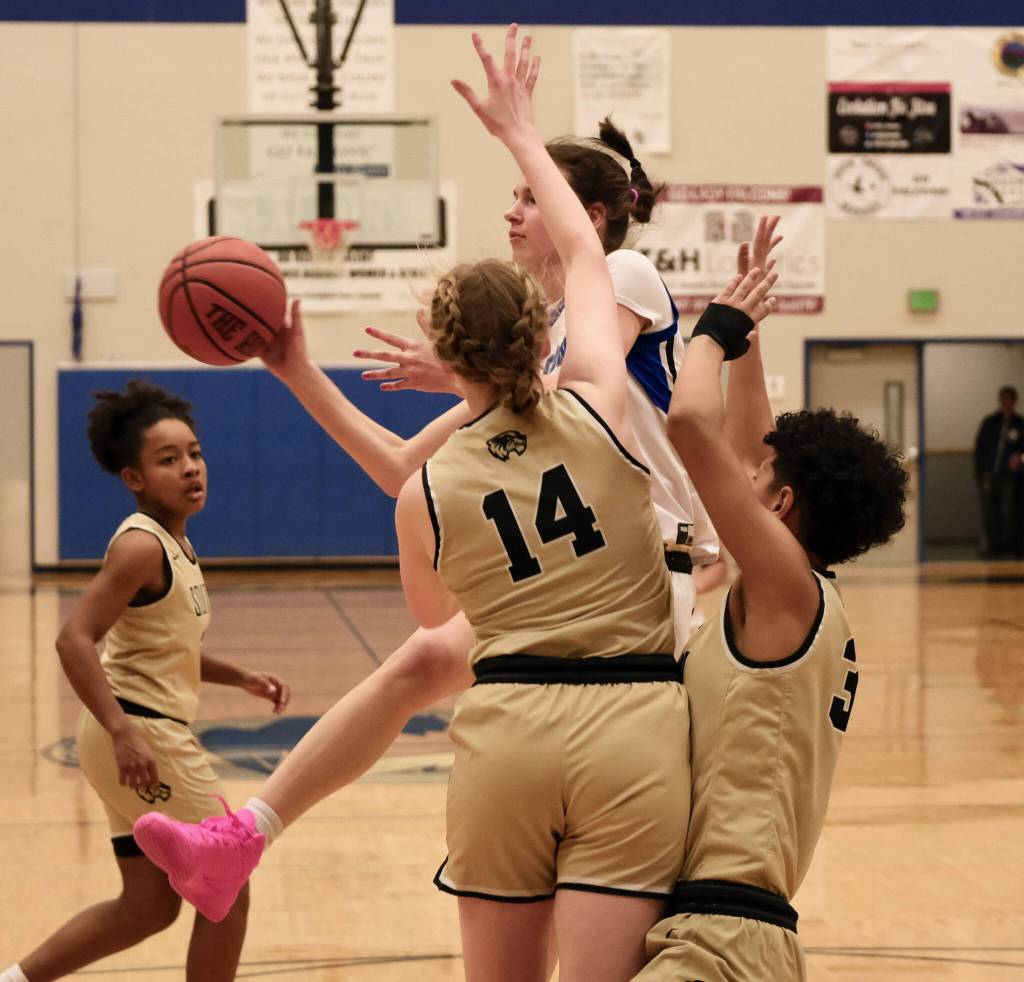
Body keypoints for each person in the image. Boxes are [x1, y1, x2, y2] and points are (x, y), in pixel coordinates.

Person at [124, 38, 780, 933]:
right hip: (584, 561)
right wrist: (297, 371)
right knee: (427, 662)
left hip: (658, 563)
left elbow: (584, 344)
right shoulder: (542, 343)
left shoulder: (619, 279)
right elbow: (401, 468)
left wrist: (484, 360)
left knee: (438, 660)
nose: (512, 211)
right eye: (514, 193)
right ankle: (247, 832)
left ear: (581, 209)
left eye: (527, 195)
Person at [634, 274, 908, 980]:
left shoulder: (786, 590)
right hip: (723, 928)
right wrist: (749, 337)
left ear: (781, 504)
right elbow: (754, 441)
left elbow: (691, 425)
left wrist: (709, 333)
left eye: (756, 479)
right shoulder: (791, 594)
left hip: (725, 938)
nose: (740, 480)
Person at [0, 381, 290, 982]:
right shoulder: (140, 546)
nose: (190, 468)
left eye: (195, 453)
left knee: (147, 907)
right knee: (228, 883)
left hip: (127, 735)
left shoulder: (177, 541)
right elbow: (74, 638)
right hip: (142, 738)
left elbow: (167, 646)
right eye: (169, 460)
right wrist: (122, 730)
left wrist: (241, 678)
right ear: (133, 477)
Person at [973, 385, 1024, 558]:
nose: (1007, 403)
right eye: (1004, 399)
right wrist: (980, 471)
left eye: (1010, 399)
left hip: (1010, 476)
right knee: (989, 513)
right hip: (988, 474)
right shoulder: (990, 422)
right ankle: (992, 548)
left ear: (1015, 401)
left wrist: (1020, 459)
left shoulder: (1020, 424)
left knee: (1008, 512)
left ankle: (1009, 548)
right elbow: (980, 447)